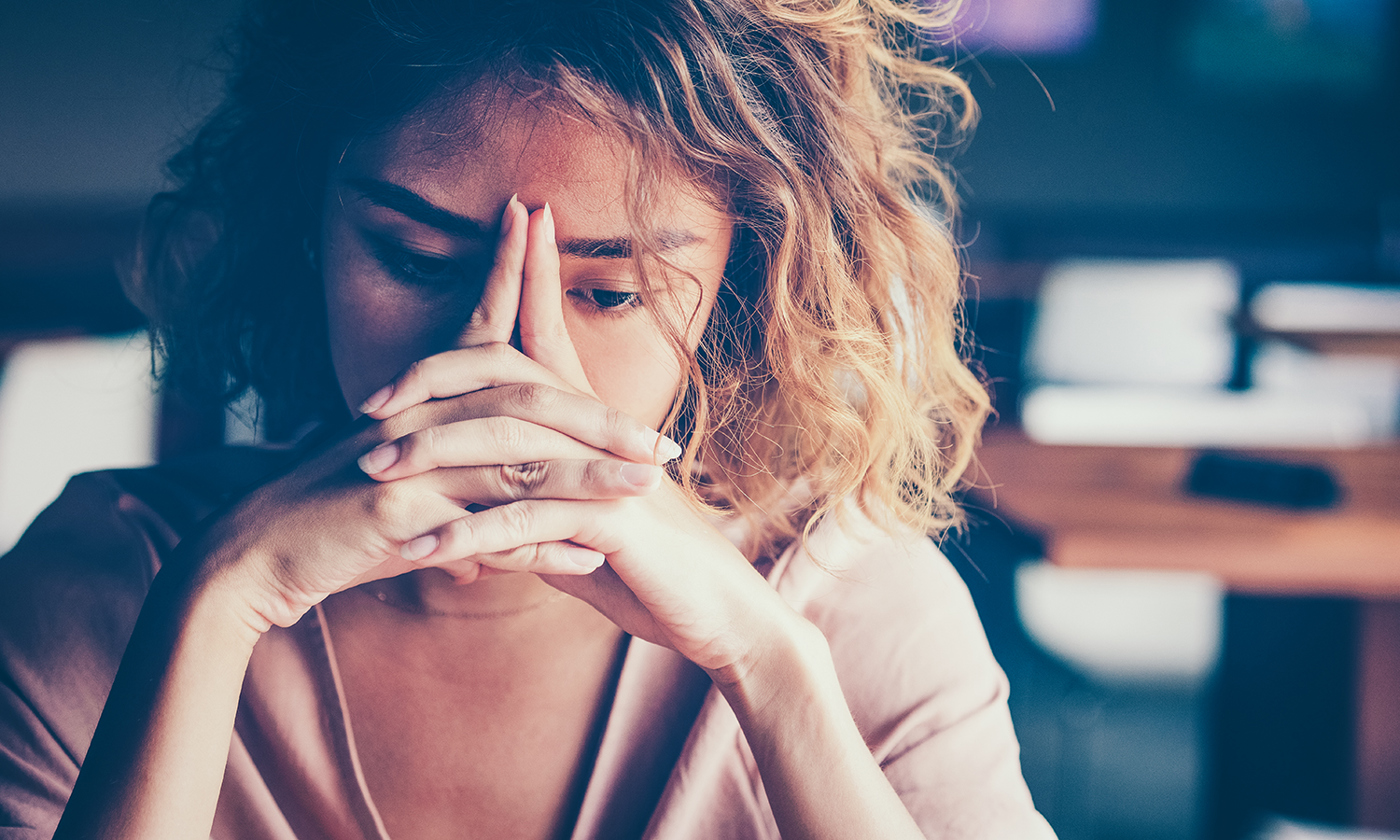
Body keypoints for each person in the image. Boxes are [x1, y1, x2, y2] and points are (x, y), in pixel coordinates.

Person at [0, 0, 1056, 837]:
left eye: (610, 291)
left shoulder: (846, 611)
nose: (500, 359)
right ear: (304, 229)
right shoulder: (110, 585)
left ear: (741, 285)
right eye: (413, 260)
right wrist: (218, 606)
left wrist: (769, 673)